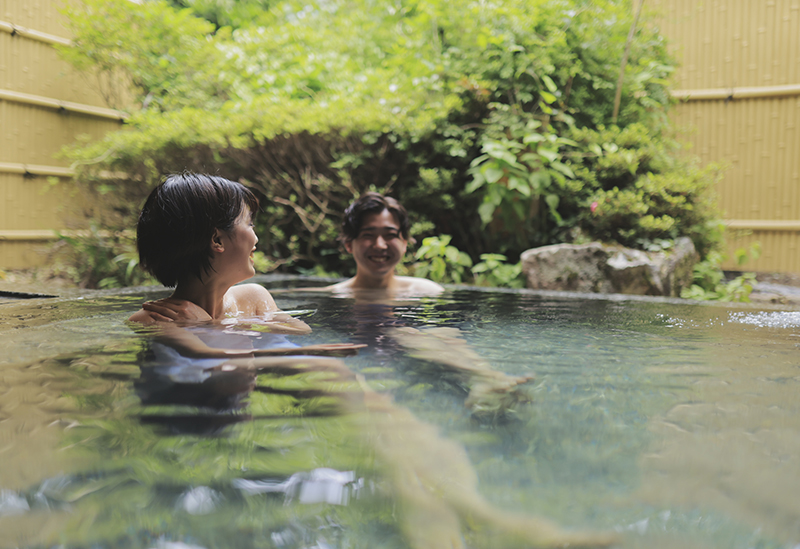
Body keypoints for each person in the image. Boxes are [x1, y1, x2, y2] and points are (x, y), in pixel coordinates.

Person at [128, 172, 363, 359]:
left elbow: (301, 330)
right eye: (249, 224)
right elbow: (205, 357)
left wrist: (220, 324)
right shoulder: (156, 319)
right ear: (217, 240)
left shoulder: (252, 297)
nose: (256, 238)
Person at [321, 192, 444, 297]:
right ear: (349, 244)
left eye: (390, 235)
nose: (380, 245)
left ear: (404, 244)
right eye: (368, 235)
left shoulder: (428, 293)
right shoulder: (331, 296)